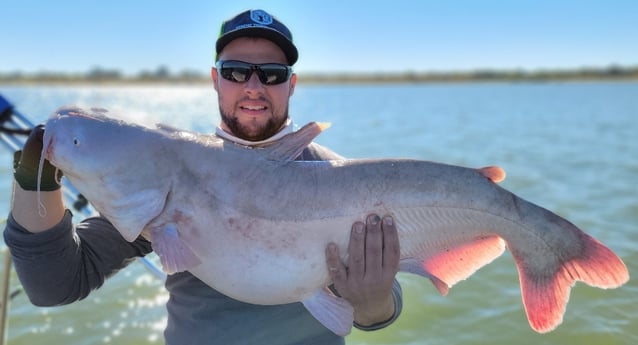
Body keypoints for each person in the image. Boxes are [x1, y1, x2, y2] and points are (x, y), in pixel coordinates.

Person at [4, 9, 404, 345]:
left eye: (271, 73)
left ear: (291, 84)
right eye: (235, 72)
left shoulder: (335, 174)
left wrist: (373, 304)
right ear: (215, 80)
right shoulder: (169, 175)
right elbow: (54, 285)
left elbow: (380, 310)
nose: (252, 87)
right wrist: (34, 180)